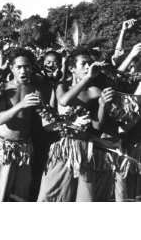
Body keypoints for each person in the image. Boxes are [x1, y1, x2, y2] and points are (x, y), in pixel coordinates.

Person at [38, 48, 114, 201]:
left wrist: (103, 106)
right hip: (64, 147)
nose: (88, 67)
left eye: (90, 63)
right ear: (72, 68)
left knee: (86, 198)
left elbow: (97, 126)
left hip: (86, 149)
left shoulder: (94, 91)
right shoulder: (62, 86)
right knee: (51, 194)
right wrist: (87, 78)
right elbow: (64, 101)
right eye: (84, 64)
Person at [0, 48, 42, 202]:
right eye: (19, 67)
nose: (24, 70)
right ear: (11, 68)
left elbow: (44, 120)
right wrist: (21, 105)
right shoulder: (4, 88)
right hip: (2, 148)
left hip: (24, 149)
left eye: (27, 66)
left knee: (20, 196)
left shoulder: (36, 89)